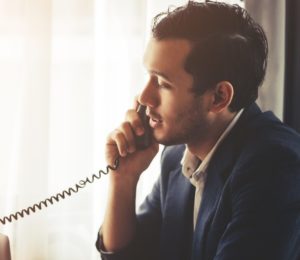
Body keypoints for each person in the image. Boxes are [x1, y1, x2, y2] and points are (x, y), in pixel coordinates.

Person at [95, 1, 300, 260]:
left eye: (162, 83)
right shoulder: (176, 157)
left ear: (218, 97)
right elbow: (130, 256)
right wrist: (123, 179)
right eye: (148, 77)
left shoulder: (276, 166)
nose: (144, 97)